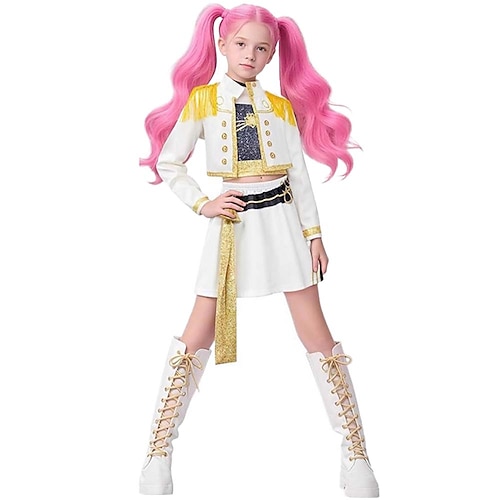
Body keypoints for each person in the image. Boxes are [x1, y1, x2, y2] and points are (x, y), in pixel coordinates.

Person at [138, 3, 379, 497]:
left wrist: (314, 234)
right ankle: (159, 449)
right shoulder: (203, 101)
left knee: (318, 334)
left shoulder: (281, 107)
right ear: (222, 45)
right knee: (196, 333)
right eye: (241, 44)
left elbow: (298, 174)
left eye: (262, 48)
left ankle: (354, 451)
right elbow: (170, 162)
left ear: (272, 56)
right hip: (232, 226)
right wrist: (203, 203)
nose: (250, 54)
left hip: (283, 222)